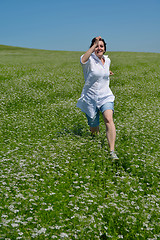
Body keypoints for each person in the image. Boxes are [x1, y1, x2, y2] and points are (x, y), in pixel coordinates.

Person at [77, 36, 119, 160]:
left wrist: (107, 72)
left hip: (105, 95)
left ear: (105, 49)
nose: (99, 48)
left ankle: (112, 151)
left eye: (101, 46)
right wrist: (94, 44)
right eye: (97, 46)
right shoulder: (89, 60)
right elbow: (82, 60)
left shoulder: (107, 60)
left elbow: (102, 71)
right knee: (94, 128)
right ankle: (95, 143)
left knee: (108, 118)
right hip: (91, 98)